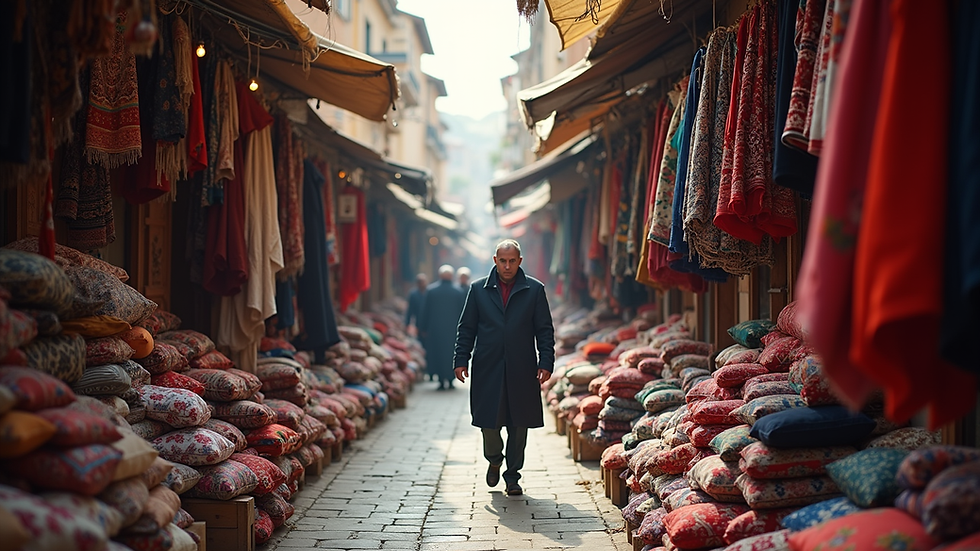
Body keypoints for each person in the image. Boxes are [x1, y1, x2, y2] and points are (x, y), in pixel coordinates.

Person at [453, 239, 555, 497]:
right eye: (502, 260)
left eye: (512, 261)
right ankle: (494, 458)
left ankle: (513, 477)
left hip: (522, 367)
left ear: (520, 261)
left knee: (519, 424)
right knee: (488, 421)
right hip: (488, 366)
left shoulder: (534, 289)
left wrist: (546, 362)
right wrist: (461, 359)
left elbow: (544, 330)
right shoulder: (478, 290)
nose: (507, 266)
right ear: (495, 260)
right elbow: (467, 328)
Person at [419, 264, 466, 390]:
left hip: (435, 330)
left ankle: (440, 379)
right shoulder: (458, 292)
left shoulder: (431, 291)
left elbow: (425, 311)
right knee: (451, 354)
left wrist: (423, 327)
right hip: (453, 330)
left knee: (437, 353)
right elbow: (463, 313)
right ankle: (450, 379)